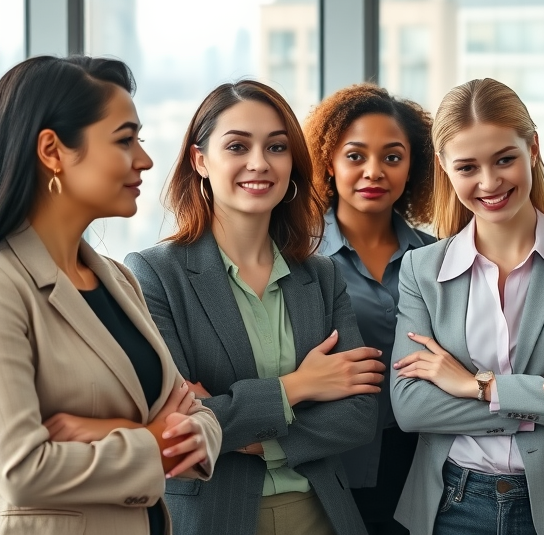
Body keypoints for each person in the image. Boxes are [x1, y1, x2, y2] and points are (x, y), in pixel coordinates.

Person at [125, 80, 378, 535]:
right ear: (200, 161)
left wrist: (251, 437)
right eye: (238, 146)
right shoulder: (155, 274)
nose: (259, 163)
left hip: (322, 514)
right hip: (213, 518)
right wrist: (299, 386)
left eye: (276, 147)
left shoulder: (321, 276)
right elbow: (177, 425)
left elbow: (358, 416)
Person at [389, 78, 544, 535]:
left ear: (533, 148)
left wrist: (477, 386)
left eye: (505, 159)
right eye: (467, 167)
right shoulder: (421, 270)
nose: (489, 182)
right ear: (443, 166)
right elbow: (413, 408)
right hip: (453, 503)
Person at [0, 55, 220, 535]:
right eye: (125, 139)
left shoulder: (118, 280)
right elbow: (19, 472)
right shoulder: (6, 286)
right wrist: (152, 443)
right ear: (53, 150)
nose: (144, 158)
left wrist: (127, 436)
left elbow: (198, 416)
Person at [305, 83, 434, 535]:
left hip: (424, 465)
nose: (374, 171)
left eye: (392, 157)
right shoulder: (296, 256)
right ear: (329, 162)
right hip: (326, 466)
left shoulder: (438, 257)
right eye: (356, 155)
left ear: (411, 167)